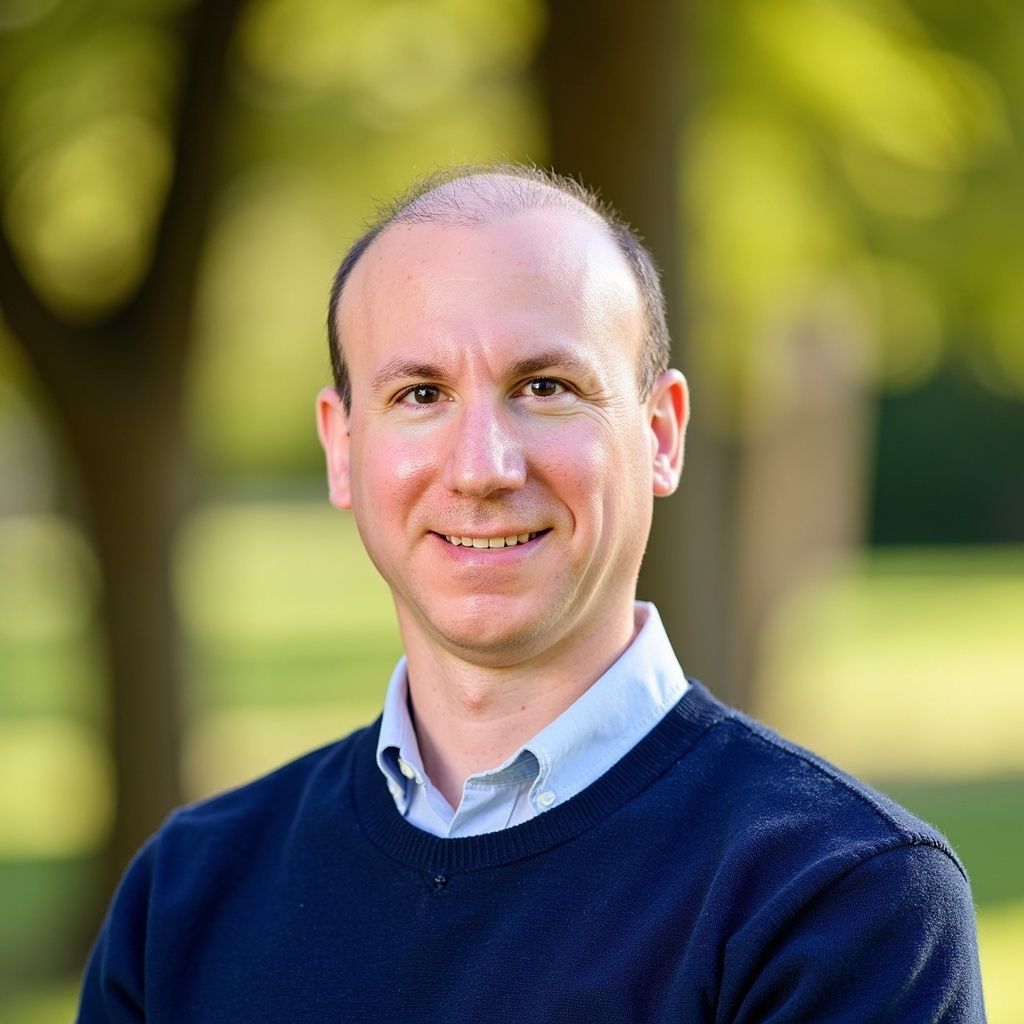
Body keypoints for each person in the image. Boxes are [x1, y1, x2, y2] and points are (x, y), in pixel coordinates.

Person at [77, 165, 986, 1022]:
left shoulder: (841, 902)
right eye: (421, 393)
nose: (481, 469)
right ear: (340, 444)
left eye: (545, 387)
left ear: (662, 434)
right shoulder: (186, 897)